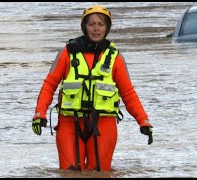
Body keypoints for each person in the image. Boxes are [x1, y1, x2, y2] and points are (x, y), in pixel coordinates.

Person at [32, 4, 153, 172]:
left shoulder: (115, 58)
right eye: (92, 24)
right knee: (69, 173)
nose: (96, 29)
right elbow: (49, 85)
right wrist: (39, 113)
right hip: (69, 124)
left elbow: (128, 93)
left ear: (107, 28)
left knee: (100, 173)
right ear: (85, 27)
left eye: (101, 24)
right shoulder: (66, 53)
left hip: (104, 125)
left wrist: (143, 120)